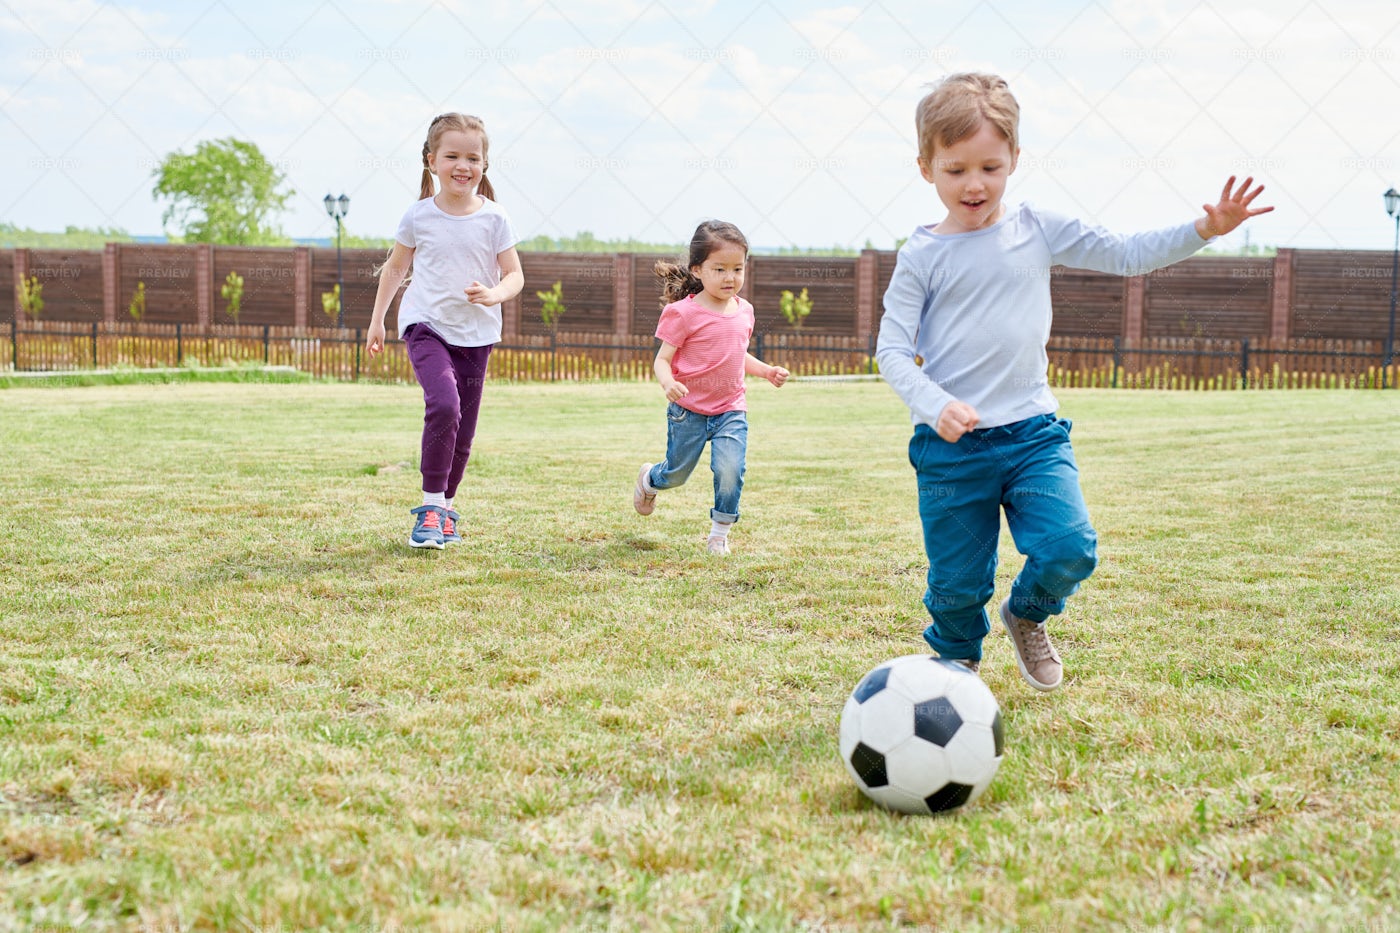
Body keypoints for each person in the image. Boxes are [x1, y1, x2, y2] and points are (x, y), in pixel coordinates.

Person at [876, 73, 1272, 690]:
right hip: (952, 448)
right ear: (926, 167)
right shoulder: (921, 255)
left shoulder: (1037, 227)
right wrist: (935, 403)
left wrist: (1205, 230)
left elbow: (1127, 253)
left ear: (1014, 161)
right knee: (957, 584)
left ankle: (1026, 614)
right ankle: (955, 664)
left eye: (990, 166)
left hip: (1033, 434)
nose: (974, 184)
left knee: (1070, 545)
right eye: (956, 170)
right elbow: (892, 350)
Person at [366, 113, 523, 549]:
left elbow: (515, 275)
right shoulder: (419, 216)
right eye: (452, 155)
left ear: (484, 164)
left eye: (473, 157)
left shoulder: (495, 218)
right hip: (426, 327)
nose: (462, 165)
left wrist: (495, 294)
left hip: (477, 336)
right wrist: (378, 319)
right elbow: (396, 268)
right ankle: (430, 508)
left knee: (464, 430)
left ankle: (447, 508)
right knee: (444, 405)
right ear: (431, 160)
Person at [632, 221, 790, 555]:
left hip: (731, 409)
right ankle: (650, 479)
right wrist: (668, 382)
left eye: (737, 268)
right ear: (698, 270)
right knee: (676, 475)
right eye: (719, 269)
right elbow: (662, 359)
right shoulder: (682, 313)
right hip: (687, 411)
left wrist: (766, 371)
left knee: (731, 468)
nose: (730, 277)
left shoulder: (744, 310)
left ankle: (719, 532)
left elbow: (737, 354)